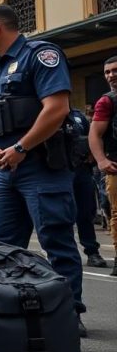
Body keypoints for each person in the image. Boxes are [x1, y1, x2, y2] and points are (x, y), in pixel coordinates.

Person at [0, 3, 85, 336]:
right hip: (5, 169)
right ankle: (14, 314)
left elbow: (57, 108)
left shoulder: (41, 55)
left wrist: (22, 148)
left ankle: (69, 313)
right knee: (4, 247)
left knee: (57, 241)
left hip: (41, 166)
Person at [67, 108, 107, 268]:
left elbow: (92, 137)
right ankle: (65, 253)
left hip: (82, 170)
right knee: (61, 214)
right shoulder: (43, 112)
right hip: (59, 171)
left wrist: (92, 155)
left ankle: (92, 252)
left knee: (86, 213)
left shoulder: (77, 116)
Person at [89, 56, 117, 274]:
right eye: (107, 72)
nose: (111, 75)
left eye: (114, 70)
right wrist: (102, 160)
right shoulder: (106, 101)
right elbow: (95, 134)